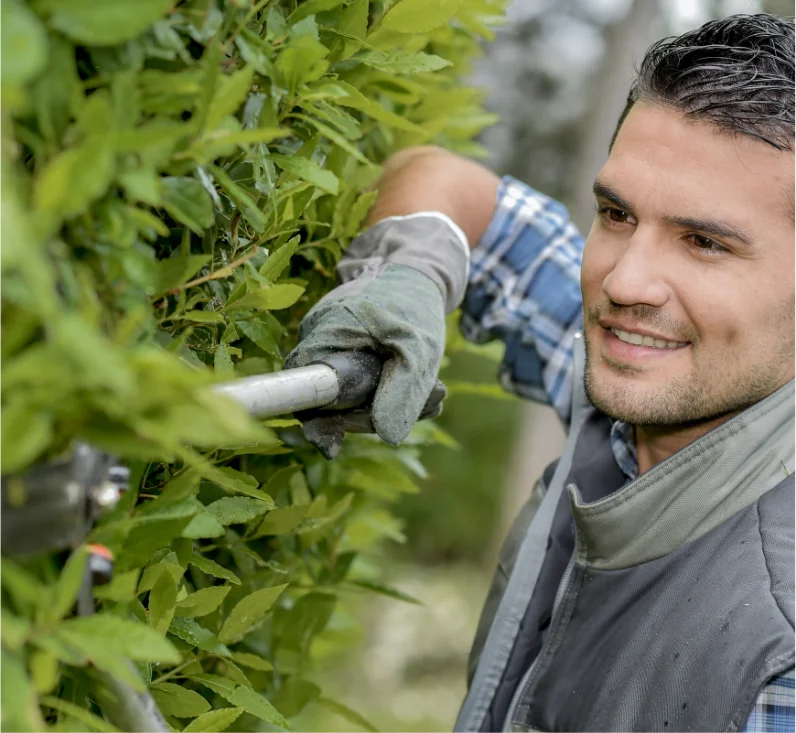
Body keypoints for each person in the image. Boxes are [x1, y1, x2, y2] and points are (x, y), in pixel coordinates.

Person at [286, 13, 796, 732]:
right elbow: (441, 180)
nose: (625, 280)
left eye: (704, 242)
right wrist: (411, 271)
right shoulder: (648, 383)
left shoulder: (784, 663)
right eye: (616, 213)